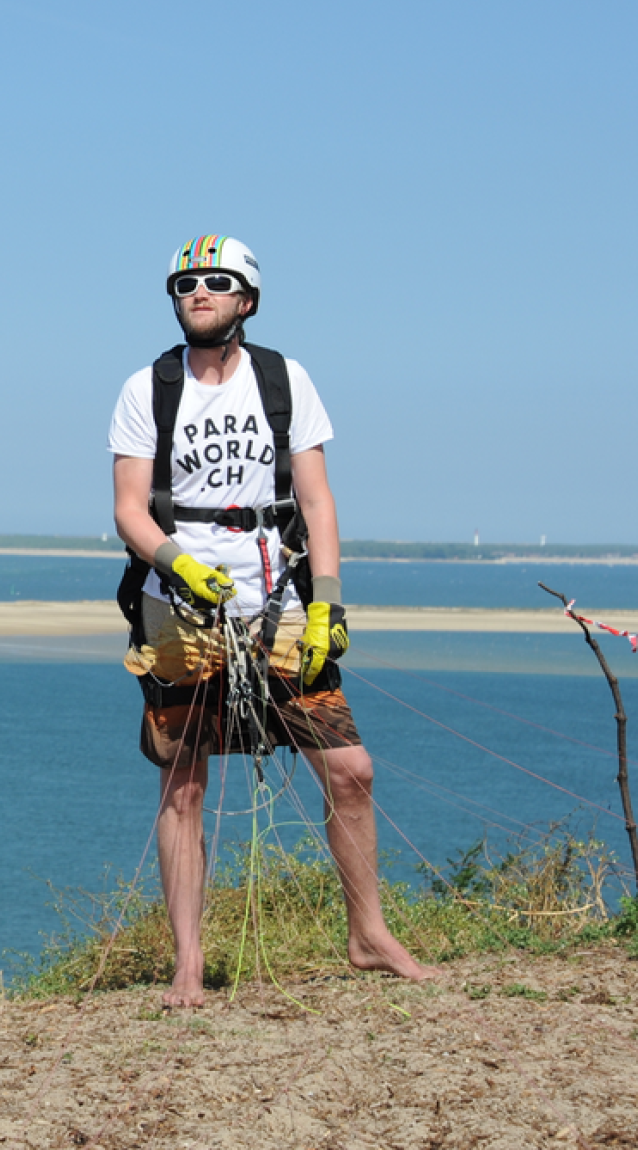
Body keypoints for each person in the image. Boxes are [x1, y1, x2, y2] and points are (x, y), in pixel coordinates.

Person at [108, 234, 435, 1008]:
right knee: (183, 784)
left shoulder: (285, 380)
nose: (198, 291)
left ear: (247, 299)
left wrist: (328, 602)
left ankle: (369, 934)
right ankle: (189, 963)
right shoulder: (146, 388)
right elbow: (128, 508)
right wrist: (179, 563)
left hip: (281, 601)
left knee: (351, 768)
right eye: (185, 282)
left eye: (216, 281)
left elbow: (317, 499)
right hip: (179, 610)